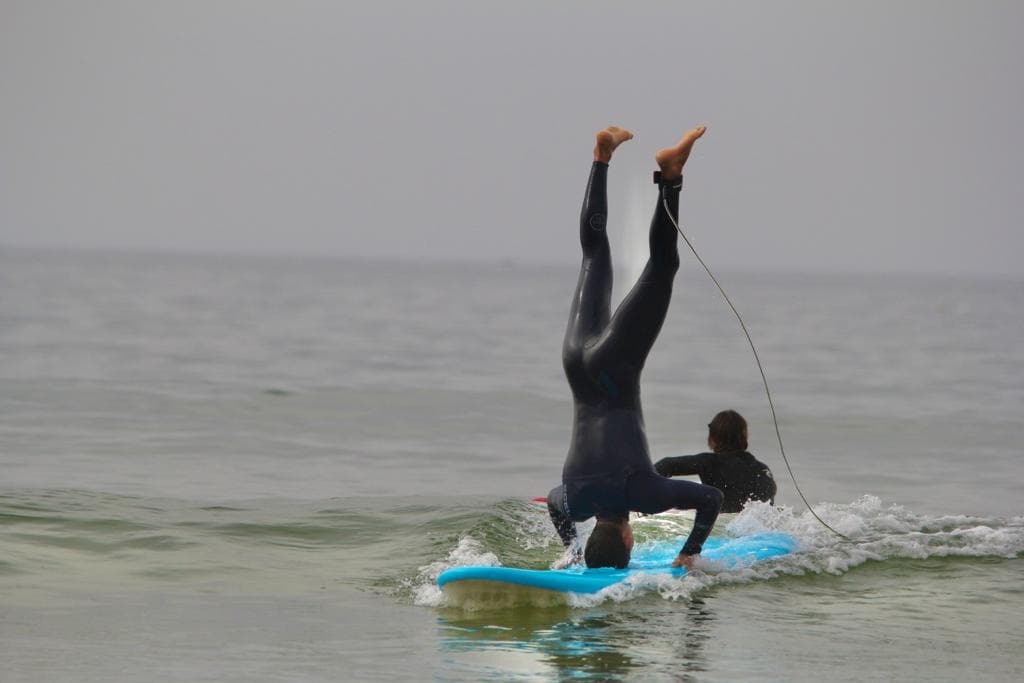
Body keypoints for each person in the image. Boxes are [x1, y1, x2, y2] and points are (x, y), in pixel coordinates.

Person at [546, 125, 723, 570]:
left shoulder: (645, 496)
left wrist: (689, 552)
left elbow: (711, 498)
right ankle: (601, 157)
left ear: (628, 540)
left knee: (662, 268)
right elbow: (552, 503)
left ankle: (671, 177)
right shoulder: (574, 501)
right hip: (576, 362)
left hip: (614, 368)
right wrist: (571, 550)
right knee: (593, 254)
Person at [655, 410, 777, 512]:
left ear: (713, 437)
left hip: (723, 526)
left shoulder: (709, 462)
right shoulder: (763, 469)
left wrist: (646, 487)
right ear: (745, 435)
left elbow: (666, 464)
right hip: (759, 526)